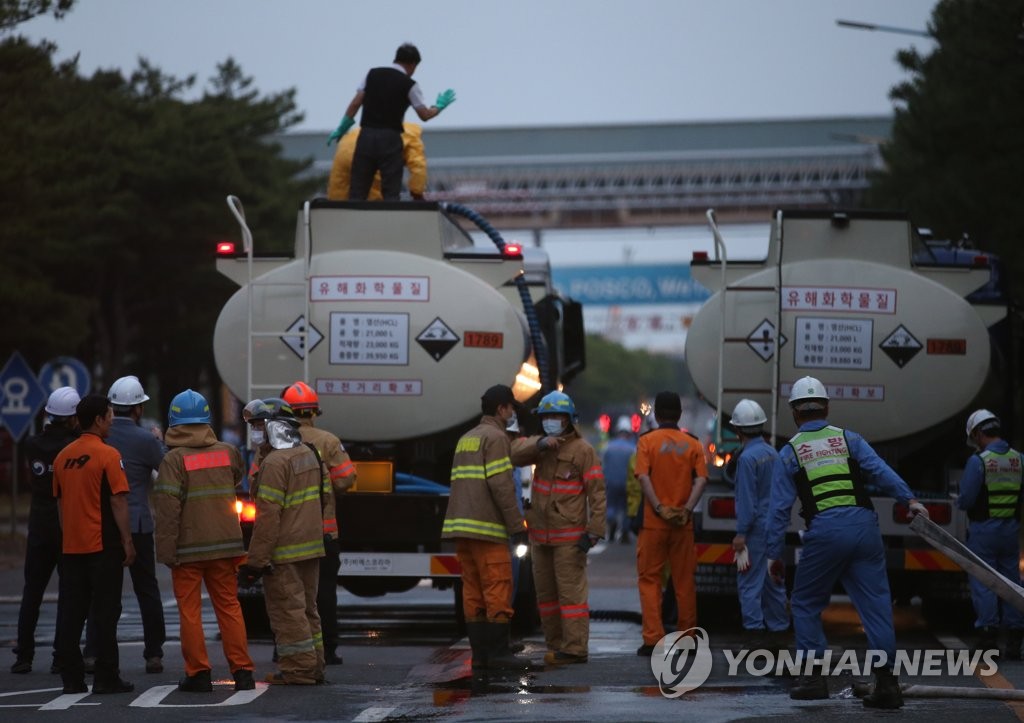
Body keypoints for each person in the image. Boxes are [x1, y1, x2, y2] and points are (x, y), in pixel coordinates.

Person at [766, 376, 928, 709]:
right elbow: (879, 470)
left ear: (795, 413)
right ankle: (887, 684)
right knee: (876, 605)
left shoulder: (790, 452)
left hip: (825, 532)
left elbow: (778, 510)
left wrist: (773, 555)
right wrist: (909, 499)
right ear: (826, 407)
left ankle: (813, 679)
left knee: (806, 603)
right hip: (864, 527)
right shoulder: (848, 439)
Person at [154, 389, 256, 693]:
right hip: (226, 546)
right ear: (207, 419)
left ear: (174, 421)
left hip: (187, 551)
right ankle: (243, 672)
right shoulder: (228, 452)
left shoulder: (173, 461)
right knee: (229, 608)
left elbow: (168, 510)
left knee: (190, 612)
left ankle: (198, 674)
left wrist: (167, 550)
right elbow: (237, 480)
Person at [511, 390, 606, 665]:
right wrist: (540, 443)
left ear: (568, 420)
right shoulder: (541, 448)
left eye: (557, 417)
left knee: (571, 597)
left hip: (569, 539)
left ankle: (575, 649)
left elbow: (597, 494)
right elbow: (513, 454)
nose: (552, 421)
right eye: (547, 417)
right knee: (547, 597)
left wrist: (594, 532)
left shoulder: (583, 451)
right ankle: (555, 646)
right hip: (540, 537)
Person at [441, 384, 530, 670]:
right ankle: (499, 652)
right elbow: (501, 485)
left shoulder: (466, 438)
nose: (512, 413)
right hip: (487, 528)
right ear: (502, 408)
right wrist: (517, 525)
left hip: (461, 529)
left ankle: (480, 654)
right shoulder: (496, 437)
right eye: (511, 408)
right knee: (497, 588)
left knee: (473, 591)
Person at [53, 394, 135, 695]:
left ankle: (71, 679)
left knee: (71, 615)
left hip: (71, 547)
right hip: (102, 547)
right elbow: (118, 500)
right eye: (110, 415)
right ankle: (106, 677)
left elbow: (60, 505)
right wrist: (128, 541)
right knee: (105, 613)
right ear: (99, 419)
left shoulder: (62, 458)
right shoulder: (108, 455)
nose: (112, 419)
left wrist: (68, 538)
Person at [239, 401, 326, 685]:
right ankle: (315, 666)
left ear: (275, 426)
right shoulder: (307, 454)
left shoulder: (276, 464)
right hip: (310, 546)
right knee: (308, 610)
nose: (255, 431)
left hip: (284, 553)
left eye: (258, 425)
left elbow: (267, 519)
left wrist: (255, 561)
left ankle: (299, 671)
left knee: (288, 613)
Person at [85, 375, 166, 675]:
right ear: (138, 409)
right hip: (138, 525)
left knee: (103, 593)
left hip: (104, 525)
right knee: (147, 590)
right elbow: (166, 469)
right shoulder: (145, 440)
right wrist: (159, 441)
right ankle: (153, 653)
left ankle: (93, 652)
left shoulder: (100, 438)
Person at [282, 381, 358, 666]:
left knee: (289, 593)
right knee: (323, 592)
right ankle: (326, 649)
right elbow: (347, 478)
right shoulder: (328, 441)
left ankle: (288, 648)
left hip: (287, 532)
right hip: (323, 533)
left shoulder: (277, 441)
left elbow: (258, 481)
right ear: (314, 412)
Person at [327, 43, 455, 201]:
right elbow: (424, 115)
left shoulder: (371, 74)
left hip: (365, 136)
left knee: (358, 190)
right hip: (390, 139)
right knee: (390, 193)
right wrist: (439, 107)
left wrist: (342, 126)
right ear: (413, 64)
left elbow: (356, 103)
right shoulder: (410, 85)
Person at [11, 387, 80, 675]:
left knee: (33, 591)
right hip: (67, 522)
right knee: (68, 593)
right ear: (74, 417)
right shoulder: (75, 447)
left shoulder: (31, 444)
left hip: (39, 523)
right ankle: (60, 656)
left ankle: (24, 655)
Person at [634, 391, 707, 657]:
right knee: (684, 580)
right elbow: (701, 480)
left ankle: (653, 639)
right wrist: (686, 509)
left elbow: (643, 477)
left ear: (656, 413)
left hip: (653, 524)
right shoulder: (693, 444)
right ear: (679, 414)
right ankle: (688, 638)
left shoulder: (647, 442)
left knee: (650, 579)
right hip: (682, 524)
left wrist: (658, 507)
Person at [956, 409, 1024, 659]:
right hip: (1010, 530)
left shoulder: (979, 461)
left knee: (984, 581)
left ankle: (988, 636)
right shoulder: (1019, 459)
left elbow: (966, 500)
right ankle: (1015, 639)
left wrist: (960, 502)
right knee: (1011, 581)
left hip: (984, 530)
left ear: (977, 433)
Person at [728, 399, 789, 647]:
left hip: (754, 531)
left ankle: (754, 634)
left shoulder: (746, 459)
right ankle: (779, 631)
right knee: (773, 580)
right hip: (774, 528)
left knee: (749, 583)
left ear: (738, 430)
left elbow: (747, 502)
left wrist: (741, 533)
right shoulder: (773, 453)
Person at [326, 122, 427, 201]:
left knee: (341, 197)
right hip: (368, 151)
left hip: (345, 147)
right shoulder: (413, 137)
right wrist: (417, 193)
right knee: (375, 203)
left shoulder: (377, 126)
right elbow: (418, 166)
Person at [602, 416, 636, 544]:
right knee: (626, 508)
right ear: (629, 432)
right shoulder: (633, 448)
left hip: (611, 482)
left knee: (611, 506)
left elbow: (603, 465)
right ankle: (625, 531)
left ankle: (612, 522)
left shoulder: (608, 446)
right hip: (627, 484)